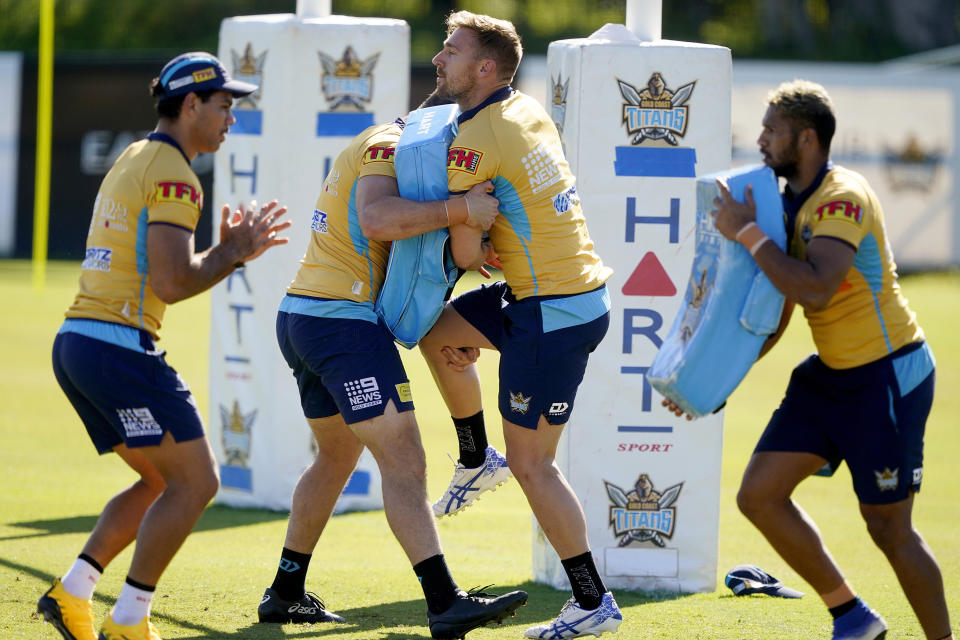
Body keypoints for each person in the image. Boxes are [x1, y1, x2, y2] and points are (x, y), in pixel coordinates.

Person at [670, 79, 952, 640]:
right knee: (760, 496)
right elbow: (775, 307)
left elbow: (817, 288)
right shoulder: (782, 200)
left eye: (771, 130)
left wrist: (747, 231)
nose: (760, 139)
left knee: (889, 529)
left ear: (807, 137)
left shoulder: (842, 196)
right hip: (830, 377)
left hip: (887, 375)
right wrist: (711, 384)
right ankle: (853, 615)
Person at [37, 52, 291, 640]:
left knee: (159, 481)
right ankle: (129, 620)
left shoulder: (138, 154)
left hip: (79, 344)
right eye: (225, 106)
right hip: (119, 347)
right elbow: (172, 282)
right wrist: (232, 252)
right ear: (192, 104)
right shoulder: (175, 173)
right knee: (196, 483)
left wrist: (228, 252)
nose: (232, 118)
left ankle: (73, 592)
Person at [258, 93, 527, 640]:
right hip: (342, 325)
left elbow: (415, 250)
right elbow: (378, 218)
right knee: (404, 458)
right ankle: (445, 601)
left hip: (308, 316)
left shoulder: (398, 146)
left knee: (334, 459)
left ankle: (285, 592)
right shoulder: (391, 143)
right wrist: (461, 211)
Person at [416, 11, 623, 639]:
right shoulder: (526, 108)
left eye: (451, 51)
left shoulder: (477, 136)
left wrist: (465, 235)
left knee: (534, 466)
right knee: (437, 331)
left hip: (553, 313)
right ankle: (477, 458)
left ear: (484, 68)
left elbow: (465, 253)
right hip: (545, 295)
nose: (438, 60)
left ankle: (592, 603)